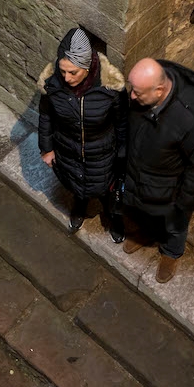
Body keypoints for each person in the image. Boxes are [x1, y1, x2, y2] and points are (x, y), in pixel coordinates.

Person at [119, 57, 194, 278]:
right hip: (139, 177)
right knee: (142, 210)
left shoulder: (190, 122)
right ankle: (146, 234)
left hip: (168, 188)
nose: (131, 96)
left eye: (138, 93)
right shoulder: (143, 94)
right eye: (132, 90)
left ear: (159, 90)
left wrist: (185, 203)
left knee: (174, 224)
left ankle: (171, 251)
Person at [37, 27, 125, 234]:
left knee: (107, 189)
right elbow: (46, 116)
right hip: (67, 147)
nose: (66, 78)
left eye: (73, 72)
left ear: (87, 68)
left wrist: (122, 154)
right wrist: (46, 148)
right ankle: (80, 206)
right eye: (63, 71)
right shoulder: (52, 85)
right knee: (76, 183)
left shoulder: (109, 88)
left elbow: (122, 123)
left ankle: (113, 216)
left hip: (101, 151)